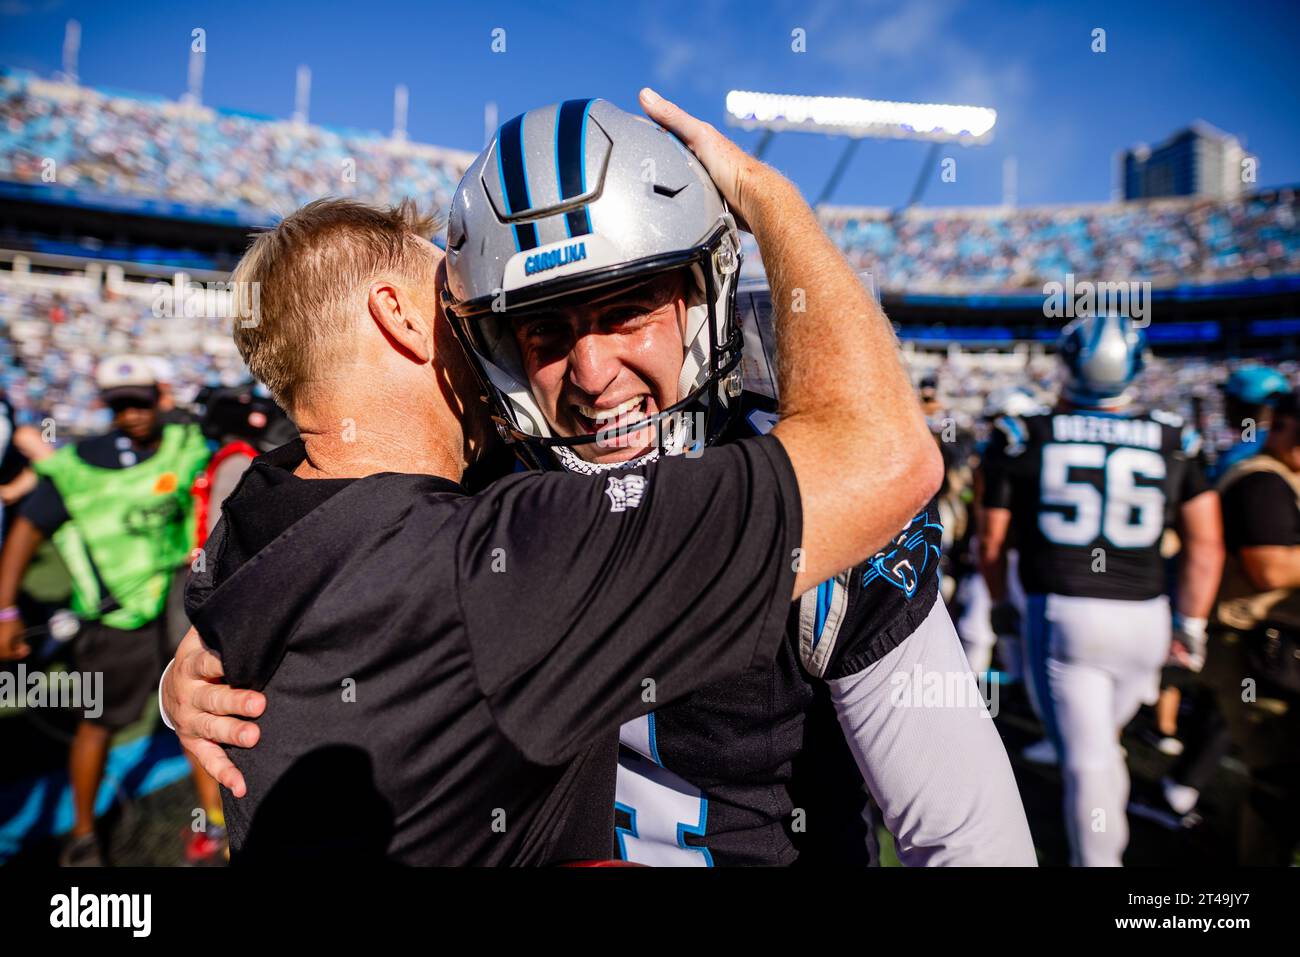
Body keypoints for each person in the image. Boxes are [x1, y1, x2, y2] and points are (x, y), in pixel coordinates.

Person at [159, 89, 943, 865]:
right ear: (400, 317)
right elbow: (885, 457)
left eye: (628, 310)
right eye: (479, 311)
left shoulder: (263, 515)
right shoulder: (508, 549)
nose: (493, 343)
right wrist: (772, 199)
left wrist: (176, 684)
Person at [979, 313, 1224, 866]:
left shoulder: (1023, 434)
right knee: (1100, 749)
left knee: (1087, 762)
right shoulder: (1174, 436)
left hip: (1065, 613)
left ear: (1067, 363)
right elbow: (1206, 546)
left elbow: (990, 544)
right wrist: (1192, 624)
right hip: (1146, 614)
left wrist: (999, 606)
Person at [0, 356, 217, 865]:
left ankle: (212, 821)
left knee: (193, 710)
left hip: (176, 602)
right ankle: (81, 835)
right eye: (121, 404)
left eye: (141, 401)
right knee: (97, 724)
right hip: (114, 618)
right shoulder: (77, 465)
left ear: (157, 397)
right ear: (107, 406)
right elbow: (26, 532)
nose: (133, 413)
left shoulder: (184, 445)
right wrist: (6, 611)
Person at [1204, 388, 1300, 865]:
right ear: (1278, 424)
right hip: (1254, 647)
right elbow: (1272, 570)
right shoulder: (1261, 479)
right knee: (1278, 777)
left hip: (1276, 644)